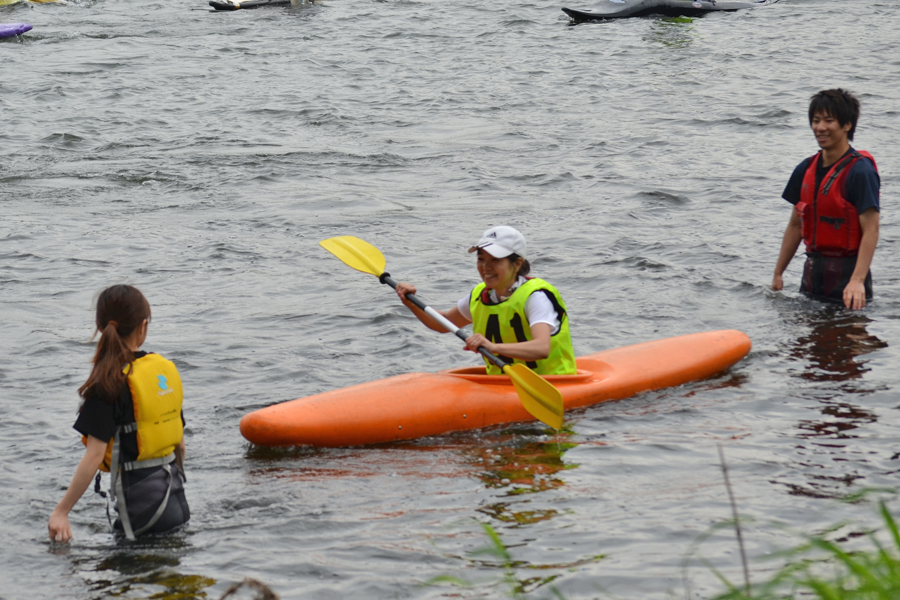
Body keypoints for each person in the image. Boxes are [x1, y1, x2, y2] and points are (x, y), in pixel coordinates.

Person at [48, 285, 189, 542]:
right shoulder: (164, 372)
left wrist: (61, 511)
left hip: (142, 515)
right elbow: (180, 445)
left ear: (101, 328)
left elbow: (94, 456)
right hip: (177, 503)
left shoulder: (108, 385)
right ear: (143, 327)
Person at [395, 226, 576, 375]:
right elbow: (443, 324)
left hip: (554, 383)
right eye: (481, 259)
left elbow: (541, 348)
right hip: (502, 384)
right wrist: (410, 302)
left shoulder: (536, 297)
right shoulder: (481, 295)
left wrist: (493, 347)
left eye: (495, 260)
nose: (485, 267)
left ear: (517, 263)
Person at [772, 89, 881, 309]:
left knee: (849, 339)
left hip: (849, 278)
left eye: (829, 121)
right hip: (813, 277)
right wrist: (778, 273)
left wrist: (857, 281)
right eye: (816, 120)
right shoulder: (805, 169)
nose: (820, 128)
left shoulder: (860, 172)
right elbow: (795, 225)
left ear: (847, 125)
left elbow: (872, 229)